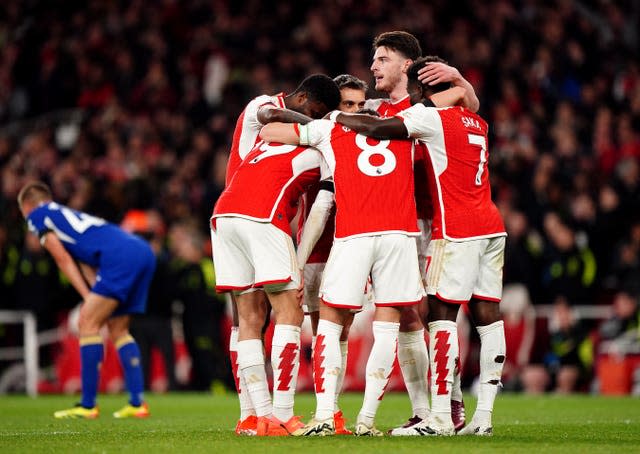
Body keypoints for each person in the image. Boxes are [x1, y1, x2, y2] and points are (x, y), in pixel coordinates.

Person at [332, 56, 506, 436]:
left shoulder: (431, 118)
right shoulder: (478, 121)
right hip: (491, 225)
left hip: (453, 228)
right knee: (488, 316)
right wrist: (462, 83)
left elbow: (379, 129)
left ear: (425, 89)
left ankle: (442, 415)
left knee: (441, 316)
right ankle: (483, 419)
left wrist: (334, 118)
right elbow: (467, 102)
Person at [260, 111, 425, 436]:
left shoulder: (329, 130)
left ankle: (324, 415)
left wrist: (325, 122)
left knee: (330, 323)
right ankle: (366, 420)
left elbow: (269, 132)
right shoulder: (407, 126)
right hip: (398, 234)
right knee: (388, 328)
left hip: (354, 233)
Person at [366, 31, 479, 434]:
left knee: (437, 314)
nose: (374, 66)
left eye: (382, 59)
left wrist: (460, 80)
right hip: (395, 224)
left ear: (405, 66)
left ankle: (451, 404)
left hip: (435, 223)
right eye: (374, 58)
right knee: (407, 313)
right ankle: (424, 409)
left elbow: (472, 105)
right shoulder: (374, 108)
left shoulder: (426, 107)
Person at [224, 74, 341, 435]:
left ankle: (253, 416)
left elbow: (273, 129)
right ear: (301, 96)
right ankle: (280, 413)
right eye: (315, 111)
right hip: (262, 214)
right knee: (289, 311)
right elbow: (272, 118)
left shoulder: (271, 136)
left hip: (226, 214)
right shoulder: (263, 107)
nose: (315, 118)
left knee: (248, 319)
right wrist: (326, 129)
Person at [17, 181, 155, 419]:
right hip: (141, 251)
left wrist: (86, 297)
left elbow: (62, 259)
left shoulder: (37, 215)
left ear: (27, 206)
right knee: (119, 329)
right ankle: (137, 403)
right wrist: (92, 292)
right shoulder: (67, 214)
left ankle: (88, 405)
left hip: (119, 258)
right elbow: (84, 259)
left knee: (86, 323)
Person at [297, 74, 369, 436]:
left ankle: (332, 409)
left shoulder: (370, 142)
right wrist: (298, 258)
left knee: (342, 330)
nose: (355, 112)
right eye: (347, 105)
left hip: (353, 245)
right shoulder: (321, 140)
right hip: (316, 250)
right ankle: (325, 408)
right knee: (320, 329)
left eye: (360, 106)